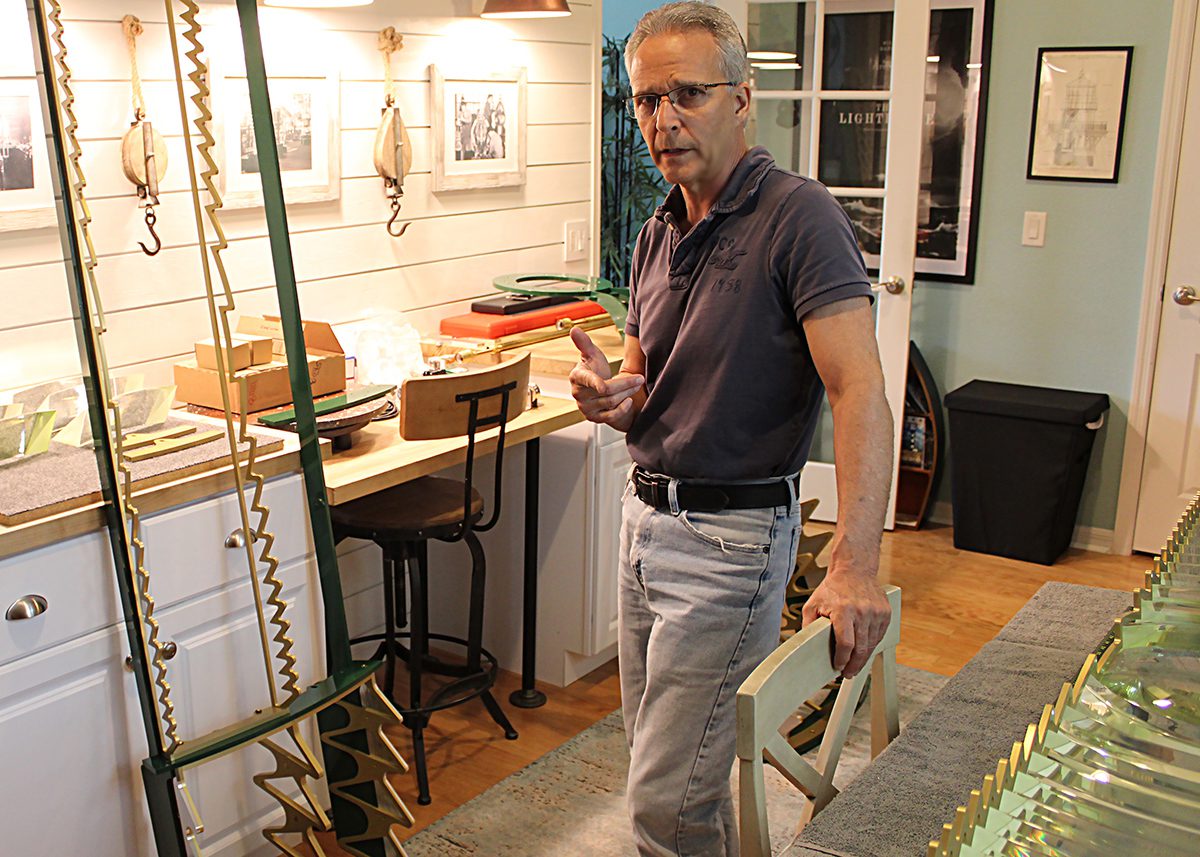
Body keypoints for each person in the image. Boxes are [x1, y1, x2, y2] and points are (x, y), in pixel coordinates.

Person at [567, 3, 894, 855]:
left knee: (665, 809)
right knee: (666, 775)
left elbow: (860, 389)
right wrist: (614, 399)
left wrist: (857, 565)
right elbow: (646, 385)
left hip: (730, 544)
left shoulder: (801, 218)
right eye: (644, 100)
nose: (662, 119)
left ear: (743, 99)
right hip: (643, 527)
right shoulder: (654, 232)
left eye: (687, 93)